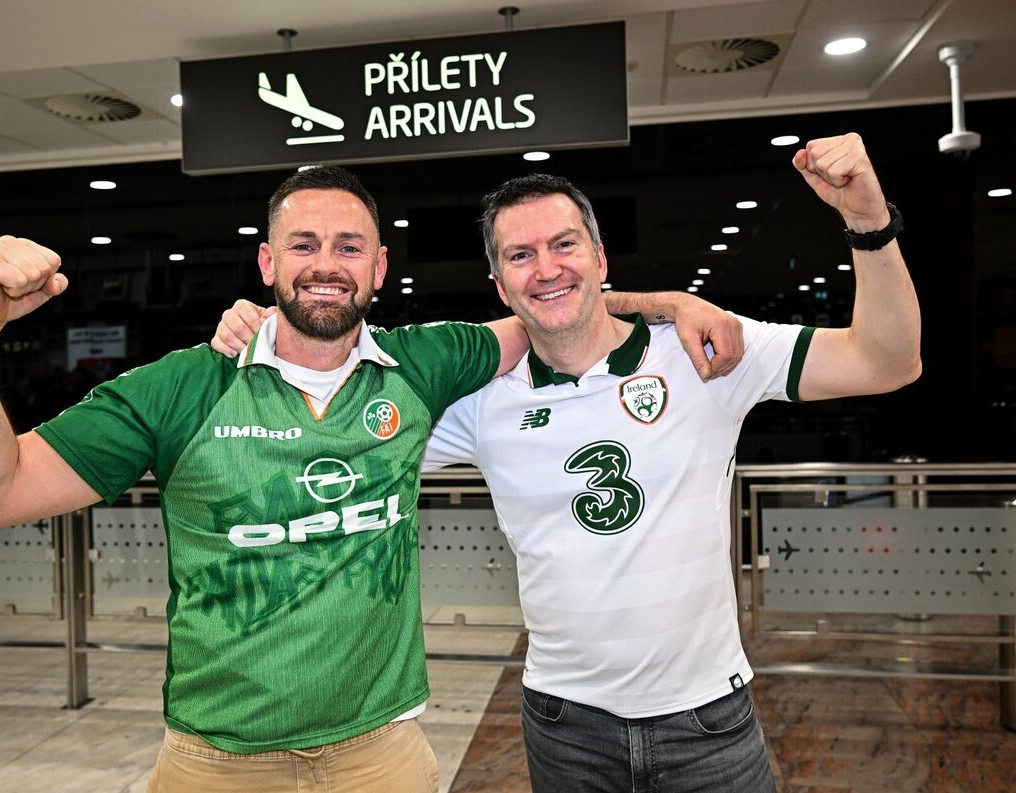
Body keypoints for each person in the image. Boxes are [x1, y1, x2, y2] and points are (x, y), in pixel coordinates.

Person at [0, 165, 744, 792]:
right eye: (305, 245)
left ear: (379, 266)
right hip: (216, 762)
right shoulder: (182, 386)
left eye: (349, 246)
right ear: (267, 260)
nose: (327, 264)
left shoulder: (423, 363)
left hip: (380, 755)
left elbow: (556, 305)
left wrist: (669, 301)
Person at [214, 134, 921, 792]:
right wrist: (266, 334)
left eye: (564, 245)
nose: (546, 267)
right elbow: (331, 413)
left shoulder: (704, 352)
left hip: (707, 720)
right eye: (520, 256)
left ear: (602, 258)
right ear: (499, 283)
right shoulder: (480, 400)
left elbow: (887, 360)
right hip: (565, 724)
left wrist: (867, 220)